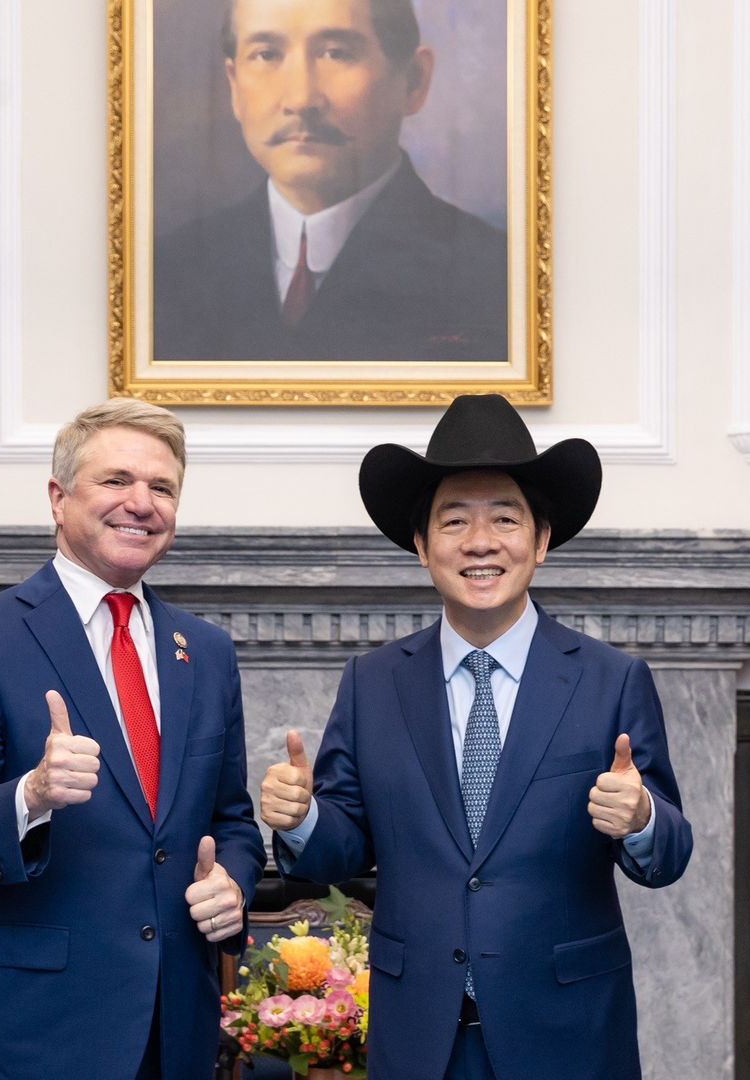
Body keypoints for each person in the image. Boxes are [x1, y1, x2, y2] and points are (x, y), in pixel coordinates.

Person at [259, 394, 692, 1079]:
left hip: (568, 1036)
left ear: (541, 542)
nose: (481, 541)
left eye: (506, 519)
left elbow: (667, 856)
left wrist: (640, 819)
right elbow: (340, 851)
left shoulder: (611, 680)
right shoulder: (373, 683)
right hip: (421, 1038)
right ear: (423, 547)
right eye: (455, 519)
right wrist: (304, 817)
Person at [0, 399, 264, 1079]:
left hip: (178, 1031)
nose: (141, 503)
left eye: (162, 488)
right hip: (38, 1033)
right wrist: (31, 795)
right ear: (58, 497)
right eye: (116, 481)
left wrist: (233, 884)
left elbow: (231, 822)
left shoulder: (207, 652)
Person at [154, 0, 507, 363]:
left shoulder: (496, 279)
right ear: (234, 85)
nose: (301, 99)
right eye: (266, 55)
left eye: (336, 54)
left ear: (414, 82)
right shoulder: (165, 272)